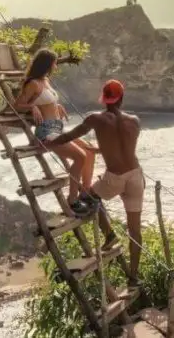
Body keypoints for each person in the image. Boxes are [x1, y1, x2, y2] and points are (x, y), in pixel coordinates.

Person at [44, 79, 143, 286]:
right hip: (135, 175)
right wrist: (100, 149)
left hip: (114, 177)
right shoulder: (135, 120)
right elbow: (123, 146)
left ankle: (109, 235)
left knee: (87, 197)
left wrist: (50, 143)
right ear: (122, 98)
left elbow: (70, 135)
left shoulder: (95, 119)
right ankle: (133, 277)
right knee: (135, 230)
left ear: (104, 99)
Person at [14, 49, 96, 214]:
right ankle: (72, 201)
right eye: (54, 62)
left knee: (89, 150)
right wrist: (32, 106)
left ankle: (85, 193)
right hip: (46, 132)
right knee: (80, 156)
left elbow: (47, 101)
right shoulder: (33, 84)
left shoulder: (45, 80)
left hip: (58, 129)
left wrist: (55, 105)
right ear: (47, 64)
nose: (56, 65)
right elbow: (16, 105)